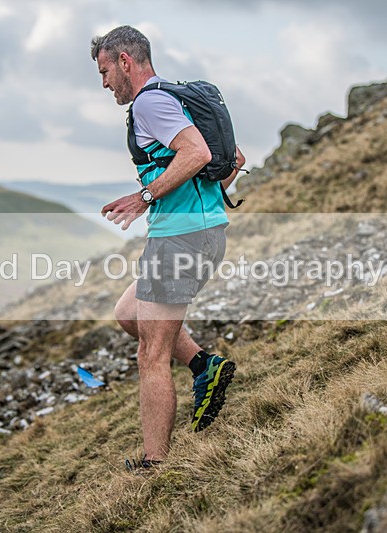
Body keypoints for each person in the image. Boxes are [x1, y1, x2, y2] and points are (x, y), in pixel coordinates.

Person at [90, 25, 246, 469]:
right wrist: (204, 206)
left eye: (105, 72)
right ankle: (204, 367)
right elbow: (234, 159)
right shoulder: (174, 98)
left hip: (179, 239)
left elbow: (196, 154)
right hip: (201, 232)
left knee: (151, 355)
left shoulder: (150, 103)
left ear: (125, 62)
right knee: (128, 313)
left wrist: (145, 198)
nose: (104, 83)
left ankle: (155, 464)